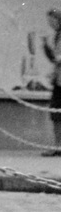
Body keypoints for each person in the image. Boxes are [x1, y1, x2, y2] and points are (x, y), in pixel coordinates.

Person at [43, 9, 61, 157]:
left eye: (52, 21)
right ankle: (57, 145)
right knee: (55, 114)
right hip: (58, 80)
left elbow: (57, 58)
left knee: (57, 113)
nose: (50, 24)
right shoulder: (57, 36)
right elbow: (55, 59)